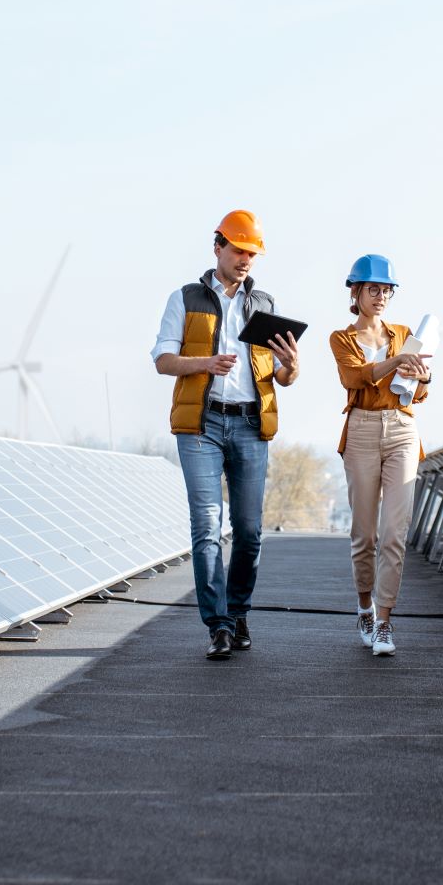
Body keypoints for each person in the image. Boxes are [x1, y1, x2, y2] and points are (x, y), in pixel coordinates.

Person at [152, 210, 301, 660]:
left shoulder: (265, 305)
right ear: (217, 247)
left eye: (252, 253)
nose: (245, 260)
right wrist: (204, 364)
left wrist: (292, 367)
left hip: (251, 424)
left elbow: (280, 374)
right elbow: (162, 359)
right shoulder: (186, 298)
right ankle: (216, 624)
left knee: (251, 531)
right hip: (201, 423)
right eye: (239, 250)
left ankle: (238, 613)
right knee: (207, 527)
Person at [328, 255, 429, 657]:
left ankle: (385, 622)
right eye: (374, 289)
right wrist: (396, 361)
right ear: (356, 292)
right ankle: (365, 607)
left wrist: (421, 377)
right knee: (365, 535)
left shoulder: (404, 334)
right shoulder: (341, 338)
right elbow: (353, 377)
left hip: (402, 428)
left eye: (387, 290)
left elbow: (419, 392)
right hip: (363, 431)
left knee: (394, 534)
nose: (381, 296)